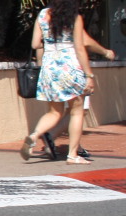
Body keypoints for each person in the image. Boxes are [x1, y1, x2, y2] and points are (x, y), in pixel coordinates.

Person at [21, 0, 97, 164]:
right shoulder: (75, 17)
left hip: (50, 67)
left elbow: (35, 43)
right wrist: (89, 75)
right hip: (70, 67)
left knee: (54, 112)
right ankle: (73, 155)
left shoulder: (43, 15)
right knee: (76, 111)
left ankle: (34, 134)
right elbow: (80, 48)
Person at [40, 31, 116, 159]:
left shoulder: (46, 16)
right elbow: (85, 41)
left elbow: (38, 43)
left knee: (65, 110)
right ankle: (52, 137)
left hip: (51, 69)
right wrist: (105, 52)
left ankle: (75, 145)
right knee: (80, 110)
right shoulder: (71, 17)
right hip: (72, 69)